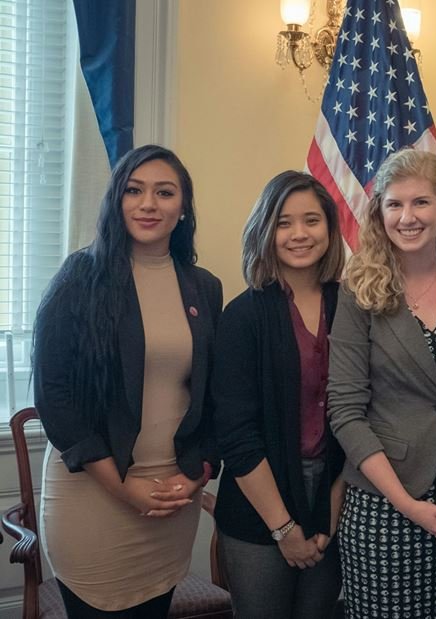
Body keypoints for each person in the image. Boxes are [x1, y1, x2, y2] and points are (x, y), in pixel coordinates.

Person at [33, 145, 222, 617]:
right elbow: (54, 395)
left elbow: (214, 395)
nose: (148, 204)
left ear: (183, 208)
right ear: (116, 200)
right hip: (94, 496)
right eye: (134, 191)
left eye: (165, 192)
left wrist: (196, 474)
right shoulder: (80, 277)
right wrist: (124, 488)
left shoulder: (204, 287)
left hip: (172, 498)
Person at [327, 149, 436, 618]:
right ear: (379, 212)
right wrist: (406, 504)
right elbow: (345, 410)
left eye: (421, 202)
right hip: (384, 505)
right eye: (394, 204)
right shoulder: (358, 291)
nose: (407, 217)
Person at [212, 171, 347, 618]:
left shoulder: (353, 308)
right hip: (258, 505)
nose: (299, 234)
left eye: (311, 220)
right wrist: (284, 529)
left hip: (334, 494)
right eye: (284, 223)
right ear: (265, 230)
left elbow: (362, 416)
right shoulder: (243, 315)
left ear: (330, 228)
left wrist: (331, 511)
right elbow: (236, 434)